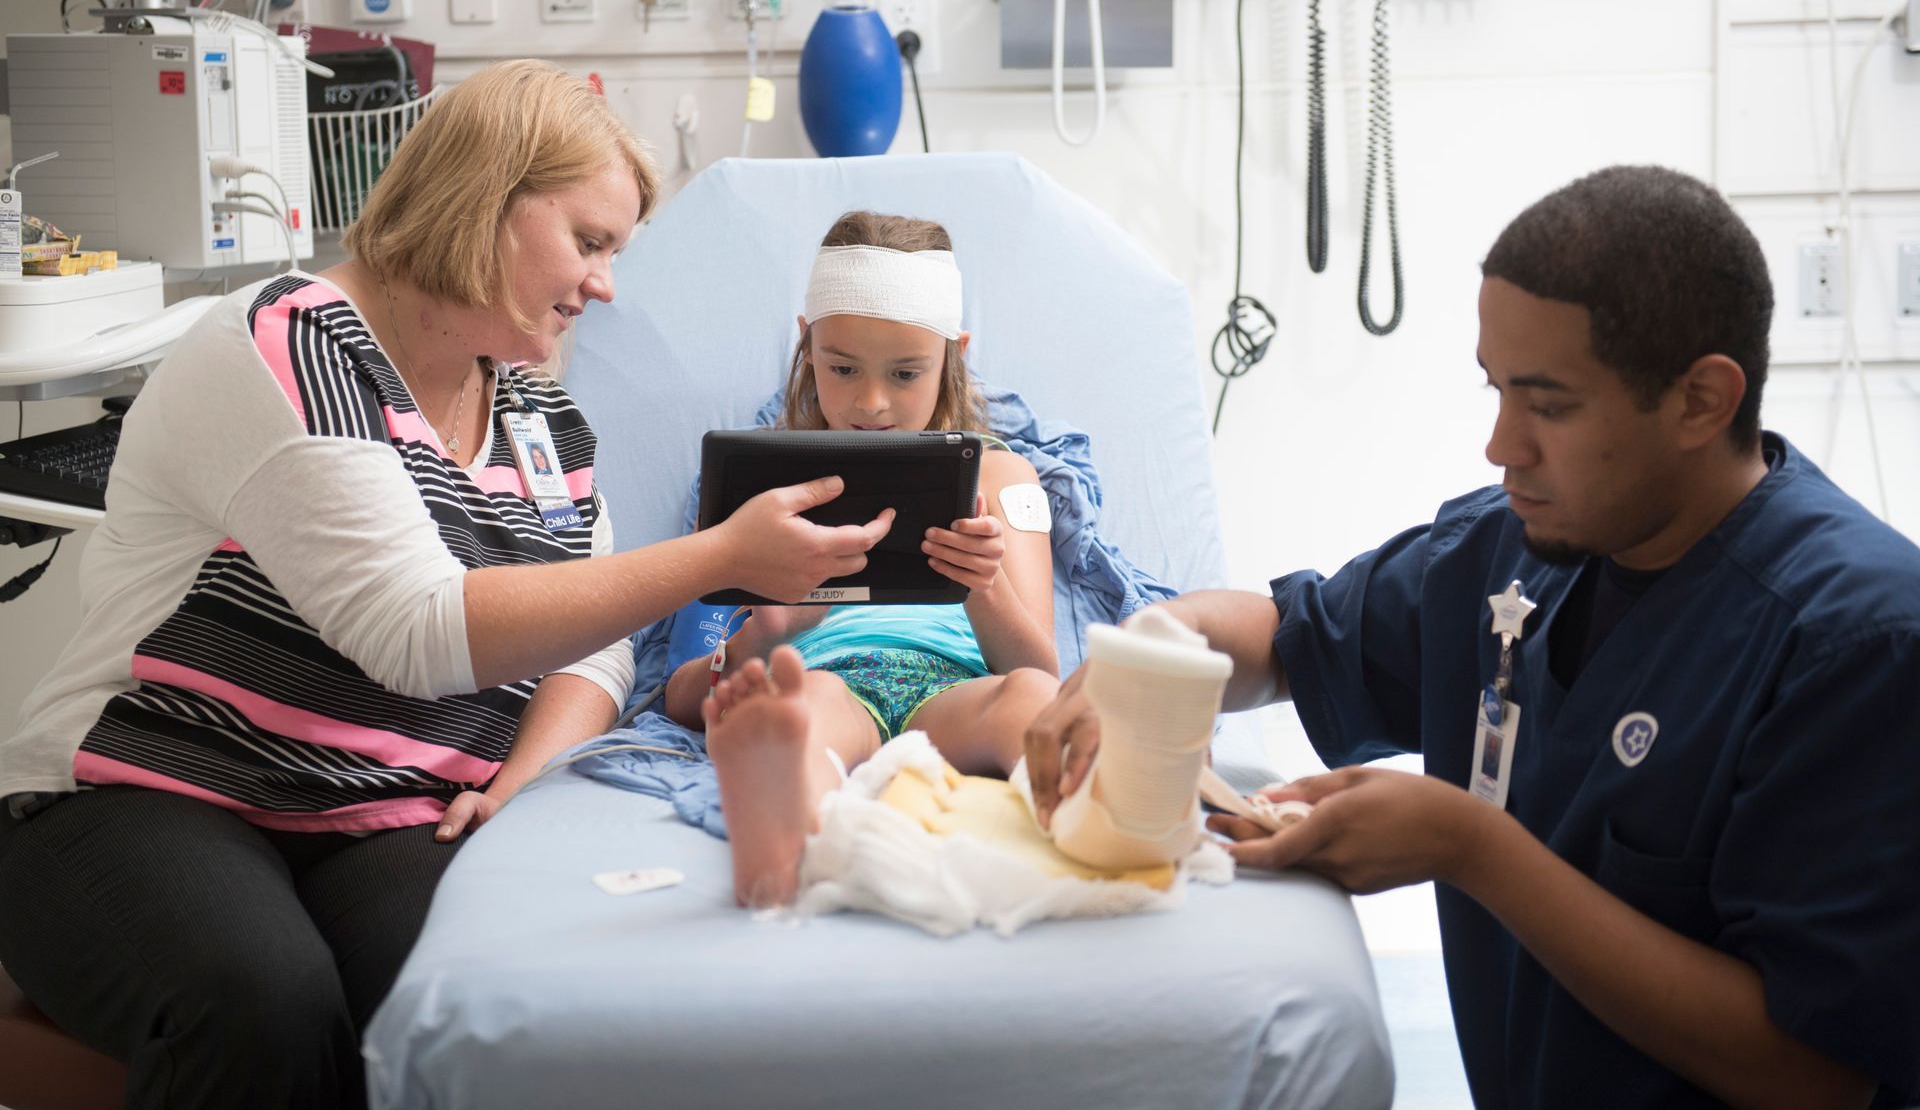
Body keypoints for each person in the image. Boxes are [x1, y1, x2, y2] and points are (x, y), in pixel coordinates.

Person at [0, 60, 892, 1109]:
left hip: (383, 809)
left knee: (484, 996)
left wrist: (521, 777)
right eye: (590, 240)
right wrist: (721, 555)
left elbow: (594, 643)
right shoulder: (284, 342)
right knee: (265, 1003)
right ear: (484, 199)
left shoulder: (541, 419)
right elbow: (415, 629)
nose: (605, 282)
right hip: (146, 790)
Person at [1024, 166, 1920, 1109]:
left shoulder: (1855, 645)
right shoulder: (1512, 549)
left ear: (1702, 401)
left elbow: (1815, 1073)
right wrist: (1159, 644)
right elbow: (1291, 639)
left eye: (1550, 406)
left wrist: (1474, 849)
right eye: (1496, 392)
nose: (1502, 445)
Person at [661, 211, 1062, 907]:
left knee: (1031, 703)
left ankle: (1085, 823)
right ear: (806, 344)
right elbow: (681, 694)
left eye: (906, 373)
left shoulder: (1005, 480)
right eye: (842, 367)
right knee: (802, 709)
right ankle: (784, 842)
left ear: (953, 355)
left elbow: (1039, 670)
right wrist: (771, 632)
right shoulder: (752, 492)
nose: (871, 403)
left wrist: (983, 587)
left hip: (957, 690)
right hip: (827, 678)